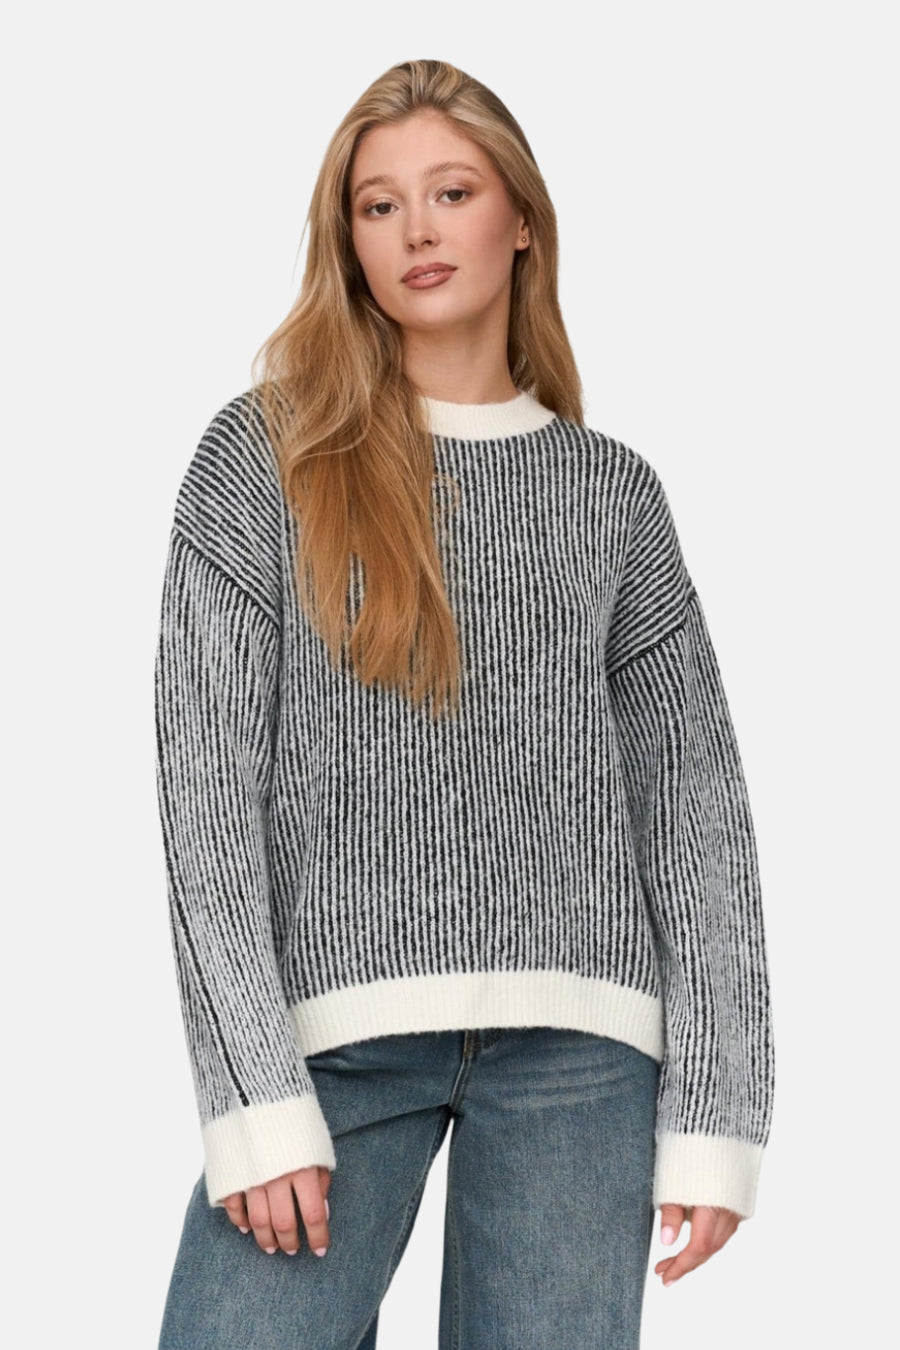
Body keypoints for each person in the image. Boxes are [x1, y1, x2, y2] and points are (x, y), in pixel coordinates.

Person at [154, 57, 774, 1349]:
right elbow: (204, 788)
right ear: (348, 241)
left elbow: (694, 806)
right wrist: (251, 1091)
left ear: (522, 219)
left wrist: (720, 1104)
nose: (417, 231)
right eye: (378, 206)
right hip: (330, 1043)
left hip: (579, 1048)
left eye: (452, 191)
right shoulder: (263, 459)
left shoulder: (612, 493)